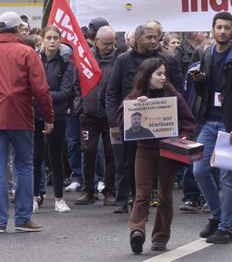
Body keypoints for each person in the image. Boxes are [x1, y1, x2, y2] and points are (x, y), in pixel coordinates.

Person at [117, 57, 197, 253]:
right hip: (144, 150)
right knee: (142, 193)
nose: (163, 78)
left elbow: (188, 120)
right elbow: (122, 122)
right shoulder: (135, 96)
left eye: (164, 74)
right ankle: (137, 231)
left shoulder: (172, 94)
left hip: (167, 149)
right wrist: (136, 105)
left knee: (165, 195)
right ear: (147, 76)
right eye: (159, 74)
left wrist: (184, 137)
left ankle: (161, 236)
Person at [191, 11, 232, 244]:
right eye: (218, 27)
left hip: (231, 124)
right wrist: (199, 82)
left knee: (228, 177)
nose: (222, 31)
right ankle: (217, 214)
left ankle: (227, 228)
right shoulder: (208, 54)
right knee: (199, 170)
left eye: (227, 28)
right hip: (208, 121)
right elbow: (206, 91)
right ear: (213, 29)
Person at [106, 23, 185, 213]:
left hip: (161, 123)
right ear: (137, 39)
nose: (152, 41)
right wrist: (113, 122)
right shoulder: (123, 60)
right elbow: (112, 92)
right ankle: (133, 197)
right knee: (130, 161)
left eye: (155, 37)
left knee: (161, 160)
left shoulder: (167, 60)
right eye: (148, 37)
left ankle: (156, 196)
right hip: (134, 122)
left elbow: (179, 90)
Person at [0, 11, 54, 233]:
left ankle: (0, 221)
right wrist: (48, 117)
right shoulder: (26, 52)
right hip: (20, 115)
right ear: (17, 29)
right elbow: (41, 89)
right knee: (24, 165)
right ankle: (23, 218)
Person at [33, 26, 76, 214]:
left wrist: (40, 94)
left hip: (57, 115)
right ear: (42, 39)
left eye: (55, 37)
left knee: (56, 157)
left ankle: (59, 198)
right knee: (35, 157)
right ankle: (35, 197)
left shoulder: (67, 62)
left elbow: (65, 93)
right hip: (34, 115)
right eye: (48, 37)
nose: (52, 41)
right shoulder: (34, 59)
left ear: (60, 40)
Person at [75, 25, 117, 206]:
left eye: (112, 43)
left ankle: (110, 191)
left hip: (110, 115)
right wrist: (80, 103)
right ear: (97, 41)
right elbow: (77, 83)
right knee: (89, 151)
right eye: (106, 44)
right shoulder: (86, 57)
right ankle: (88, 190)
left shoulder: (119, 59)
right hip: (89, 114)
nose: (109, 47)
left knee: (111, 154)